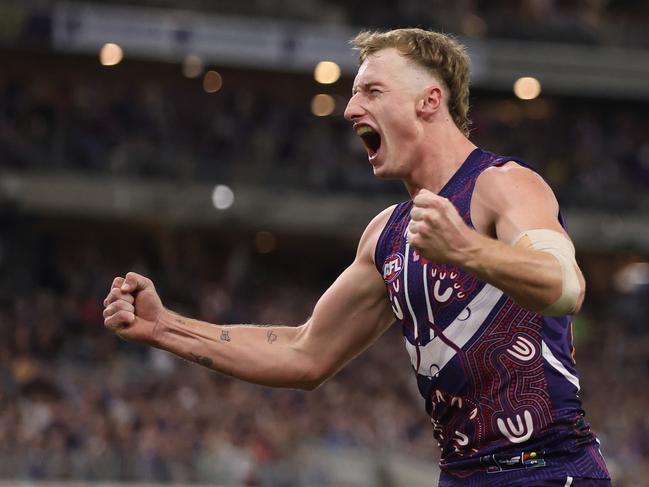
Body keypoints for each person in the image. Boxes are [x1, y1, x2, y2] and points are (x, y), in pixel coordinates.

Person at [103, 28, 610, 486]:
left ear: (429, 101)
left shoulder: (503, 185)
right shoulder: (386, 236)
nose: (349, 110)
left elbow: (566, 286)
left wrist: (467, 248)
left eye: (371, 91)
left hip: (551, 471)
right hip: (460, 477)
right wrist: (164, 328)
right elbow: (304, 354)